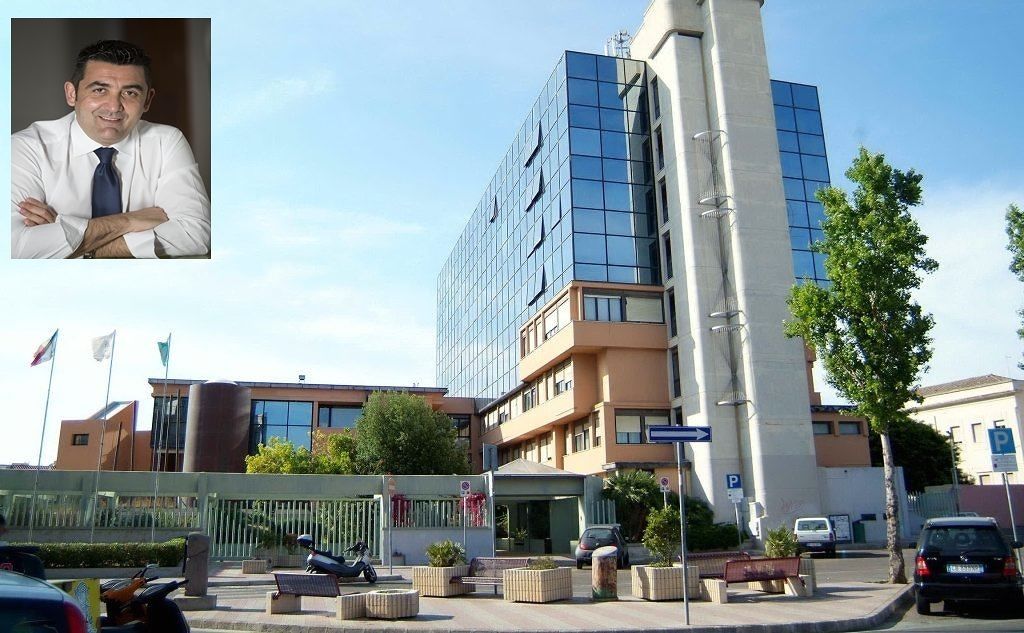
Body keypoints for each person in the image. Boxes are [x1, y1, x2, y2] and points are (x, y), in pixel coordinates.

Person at [11, 39, 210, 258]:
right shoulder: (27, 147)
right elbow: (14, 247)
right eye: (99, 90)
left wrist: (67, 240)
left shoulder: (166, 141)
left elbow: (197, 235)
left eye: (130, 93)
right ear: (72, 94)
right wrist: (129, 220)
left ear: (147, 100)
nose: (114, 106)